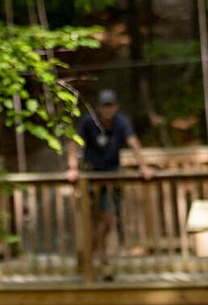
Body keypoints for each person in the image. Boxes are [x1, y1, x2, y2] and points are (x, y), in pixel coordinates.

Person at [65, 89, 153, 276]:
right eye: (105, 106)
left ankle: (98, 258)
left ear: (116, 107)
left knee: (109, 219)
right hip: (91, 176)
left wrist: (143, 167)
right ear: (99, 108)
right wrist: (72, 167)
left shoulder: (122, 121)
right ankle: (96, 259)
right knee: (94, 219)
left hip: (112, 176)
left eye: (110, 106)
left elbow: (133, 142)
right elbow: (74, 142)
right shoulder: (89, 122)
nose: (108, 110)